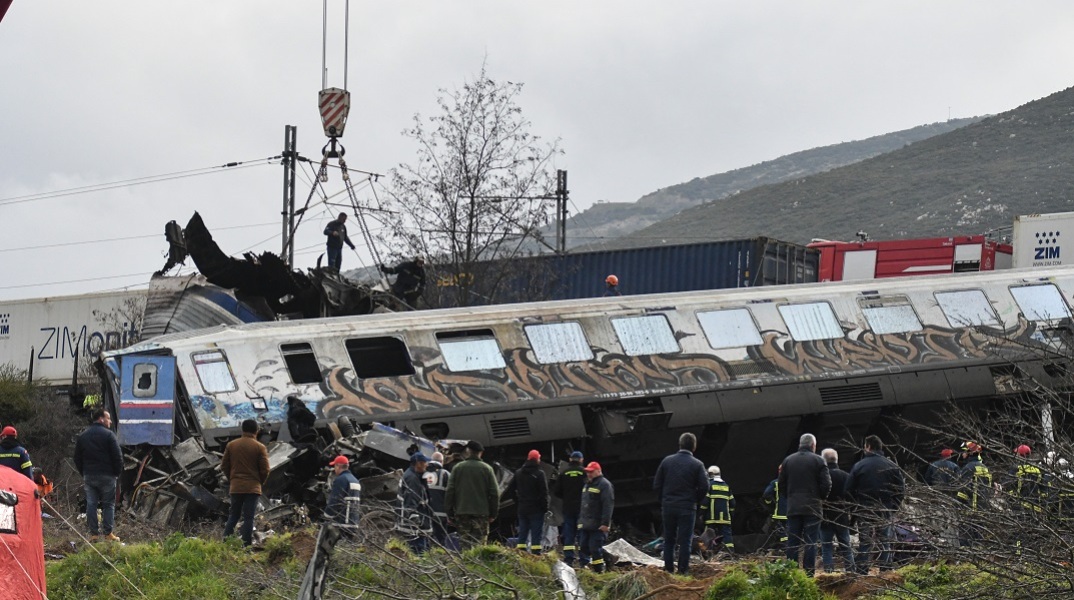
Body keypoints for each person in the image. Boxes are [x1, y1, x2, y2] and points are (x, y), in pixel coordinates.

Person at [845, 436, 904, 574]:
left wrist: (856, 506)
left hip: (864, 508)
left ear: (868, 447)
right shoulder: (891, 465)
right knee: (885, 540)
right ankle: (886, 570)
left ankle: (862, 570)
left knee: (865, 540)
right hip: (885, 507)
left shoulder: (859, 466)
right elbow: (900, 490)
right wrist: (893, 507)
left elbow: (848, 489)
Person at [653, 432, 708, 575]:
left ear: (680, 444)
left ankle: (669, 569)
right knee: (685, 541)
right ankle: (683, 571)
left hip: (669, 506)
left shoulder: (667, 461)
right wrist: (695, 500)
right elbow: (704, 486)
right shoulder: (697, 464)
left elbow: (657, 485)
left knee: (669, 539)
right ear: (694, 447)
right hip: (687, 507)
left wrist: (664, 500)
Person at [779, 433, 831, 576]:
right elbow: (826, 484)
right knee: (811, 541)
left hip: (793, 507)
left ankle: (791, 572)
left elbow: (781, 484)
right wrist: (820, 498)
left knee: (792, 541)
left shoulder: (788, 461)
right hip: (812, 507)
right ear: (813, 445)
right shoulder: (819, 461)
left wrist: (789, 497)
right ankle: (808, 574)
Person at [73, 408, 124, 542]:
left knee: (91, 504)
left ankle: (93, 534)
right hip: (107, 476)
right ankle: (108, 534)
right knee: (108, 504)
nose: (110, 421)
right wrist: (116, 473)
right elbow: (118, 456)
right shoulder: (109, 435)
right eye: (108, 418)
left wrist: (83, 472)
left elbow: (76, 458)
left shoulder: (83, 436)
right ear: (101, 419)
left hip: (89, 476)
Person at [220, 419, 270, 546]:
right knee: (249, 518)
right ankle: (246, 546)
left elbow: (224, 466)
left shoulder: (231, 445)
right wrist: (260, 482)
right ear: (256, 431)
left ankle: (225, 542)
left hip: (236, 487)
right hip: (252, 488)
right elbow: (265, 469)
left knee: (234, 516)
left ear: (242, 430)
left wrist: (232, 479)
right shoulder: (260, 447)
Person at [445, 440, 500, 550]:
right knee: (479, 547)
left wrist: (449, 512)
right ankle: (478, 566)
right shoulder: (487, 469)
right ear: (481, 453)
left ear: (468, 451)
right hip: (481, 514)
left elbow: (450, 491)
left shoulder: (458, 468)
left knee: (465, 544)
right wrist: (493, 513)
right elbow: (495, 493)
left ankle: (466, 566)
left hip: (462, 513)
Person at [819, 448, 855, 574]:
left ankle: (828, 572)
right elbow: (852, 497)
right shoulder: (845, 476)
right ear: (836, 459)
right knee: (846, 545)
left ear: (823, 460)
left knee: (826, 546)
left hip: (825, 516)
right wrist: (851, 514)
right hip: (842, 516)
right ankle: (850, 571)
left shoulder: (821, 476)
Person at [506, 449, 548, 554]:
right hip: (536, 509)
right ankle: (536, 554)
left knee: (523, 532)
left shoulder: (519, 473)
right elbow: (544, 493)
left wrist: (518, 502)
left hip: (522, 508)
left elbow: (510, 490)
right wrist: (545, 507)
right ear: (538, 459)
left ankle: (521, 553)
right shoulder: (540, 474)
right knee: (536, 533)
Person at [578, 462, 614, 573]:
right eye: (587, 472)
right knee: (583, 546)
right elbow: (584, 504)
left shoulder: (605, 485)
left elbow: (608, 505)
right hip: (586, 523)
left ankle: (599, 572)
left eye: (591, 472)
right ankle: (608, 558)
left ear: (598, 471)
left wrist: (605, 523)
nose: (589, 474)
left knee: (595, 549)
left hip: (597, 524)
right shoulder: (587, 484)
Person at [956, 441, 992, 547]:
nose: (962, 454)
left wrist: (958, 504)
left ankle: (965, 558)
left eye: (964, 452)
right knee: (978, 537)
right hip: (982, 508)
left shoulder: (969, 468)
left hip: (970, 508)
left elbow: (964, 489)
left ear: (970, 453)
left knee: (966, 537)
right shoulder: (984, 468)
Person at [554, 450, 587, 566]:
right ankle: (583, 560)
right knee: (582, 533)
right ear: (581, 460)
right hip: (582, 508)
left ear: (570, 460)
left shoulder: (564, 473)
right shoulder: (584, 473)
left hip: (568, 507)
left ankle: (569, 558)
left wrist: (566, 497)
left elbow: (556, 491)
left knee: (569, 533)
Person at [398, 452, 434, 554]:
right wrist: (415, 519)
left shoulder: (414, 476)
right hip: (415, 529)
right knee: (418, 555)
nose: (426, 465)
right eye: (425, 463)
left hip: (414, 527)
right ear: (418, 463)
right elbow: (410, 501)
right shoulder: (413, 479)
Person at [702, 465, 735, 555]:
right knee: (727, 535)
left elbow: (705, 502)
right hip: (724, 517)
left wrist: (701, 514)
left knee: (708, 535)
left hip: (712, 517)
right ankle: (730, 553)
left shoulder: (710, 485)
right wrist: (730, 514)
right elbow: (733, 503)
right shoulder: (726, 486)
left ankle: (707, 552)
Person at [423, 451, 452, 546]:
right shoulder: (446, 474)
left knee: (425, 539)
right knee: (441, 541)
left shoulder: (422, 473)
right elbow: (451, 496)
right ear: (442, 462)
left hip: (424, 513)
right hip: (441, 515)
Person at [324, 455, 360, 525]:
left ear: (338, 466)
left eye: (334, 466)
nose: (334, 469)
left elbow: (335, 499)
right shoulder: (355, 480)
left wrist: (327, 514)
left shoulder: (341, 479)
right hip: (353, 522)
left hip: (342, 523)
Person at [762, 467, 788, 549]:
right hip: (793, 512)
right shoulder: (794, 483)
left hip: (780, 513)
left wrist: (769, 503)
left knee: (781, 531)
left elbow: (766, 494)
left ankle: (785, 548)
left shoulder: (775, 483)